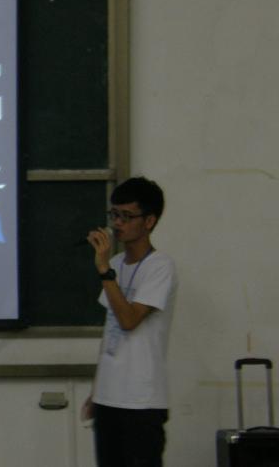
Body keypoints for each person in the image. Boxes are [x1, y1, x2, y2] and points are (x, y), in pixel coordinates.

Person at [82, 176, 177, 467]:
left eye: (126, 216)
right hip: (108, 398)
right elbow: (110, 329)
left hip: (141, 402)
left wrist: (103, 270)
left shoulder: (160, 266)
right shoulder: (115, 265)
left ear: (149, 221)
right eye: (114, 215)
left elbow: (128, 319)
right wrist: (97, 389)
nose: (117, 224)